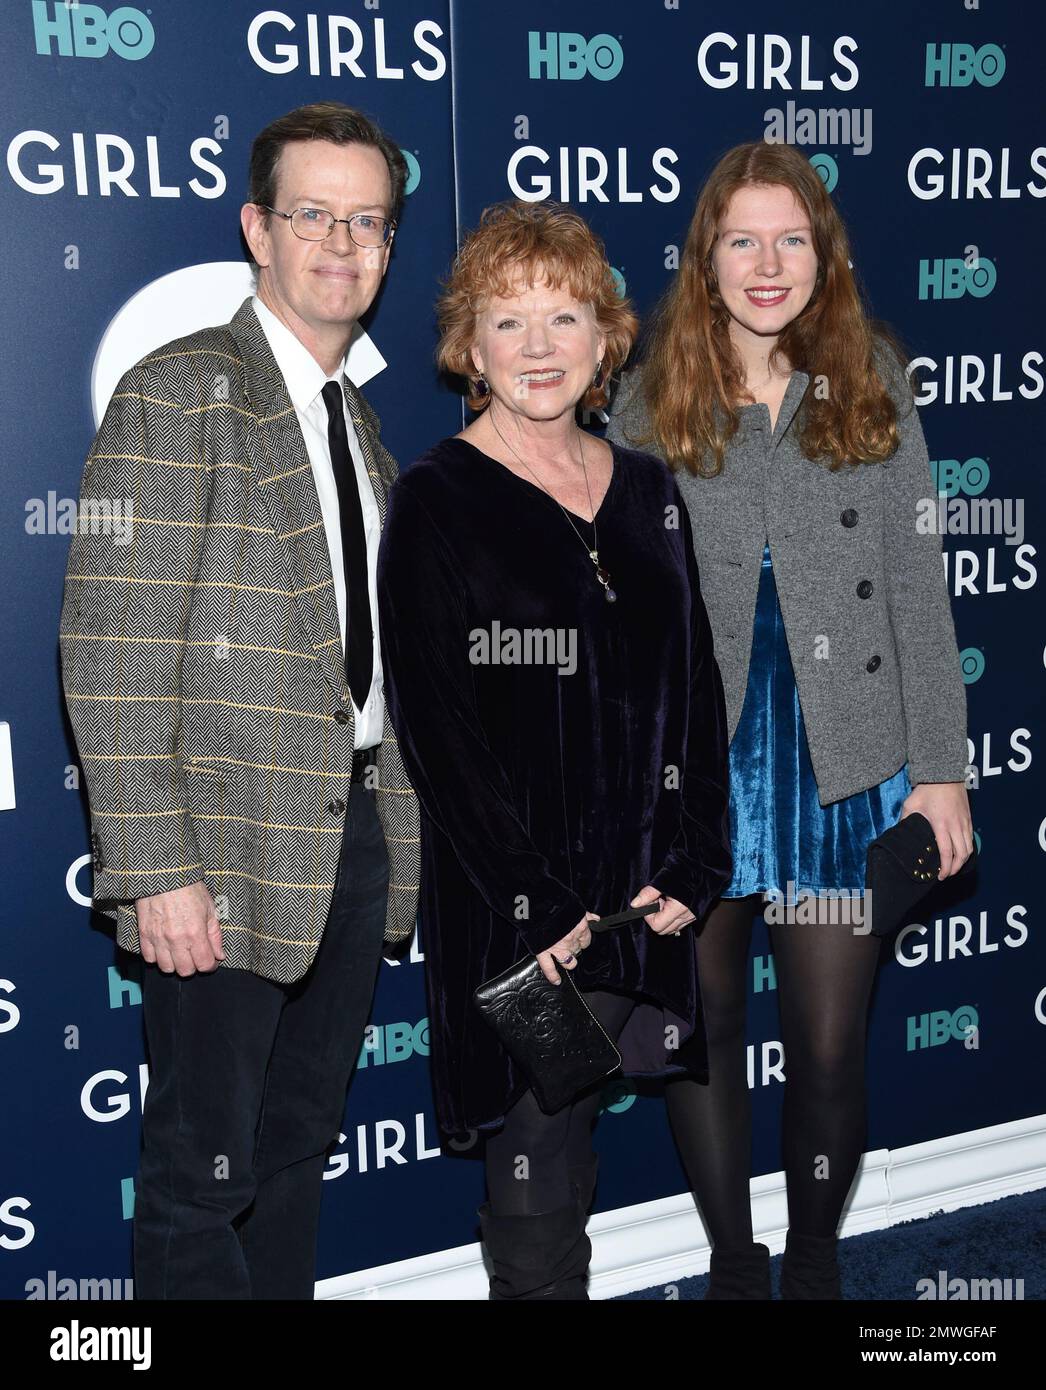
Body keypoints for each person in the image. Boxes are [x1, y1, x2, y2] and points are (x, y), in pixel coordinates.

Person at [58, 102, 420, 1299]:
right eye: (314, 213)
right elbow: (110, 649)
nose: (342, 242)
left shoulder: (356, 419)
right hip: (218, 854)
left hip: (347, 835)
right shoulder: (182, 392)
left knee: (291, 1156)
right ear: (256, 228)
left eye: (367, 220)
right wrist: (156, 867)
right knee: (200, 1176)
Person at [608, 140, 973, 1299]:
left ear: (823, 254)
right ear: (702, 256)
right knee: (702, 1027)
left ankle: (812, 1260)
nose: (766, 265)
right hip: (695, 769)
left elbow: (917, 584)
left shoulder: (863, 377)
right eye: (740, 239)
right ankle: (730, 1261)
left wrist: (942, 769)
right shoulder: (643, 397)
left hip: (844, 762)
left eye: (790, 239)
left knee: (824, 1043)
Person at [377, 200, 733, 1301]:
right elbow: (435, 731)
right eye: (507, 321)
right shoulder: (437, 501)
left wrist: (695, 860)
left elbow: (694, 684)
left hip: (639, 900)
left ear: (603, 338)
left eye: (563, 317)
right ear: (467, 348)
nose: (538, 346)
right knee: (532, 1163)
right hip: (521, 919)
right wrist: (536, 904)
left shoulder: (647, 490)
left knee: (577, 1138)